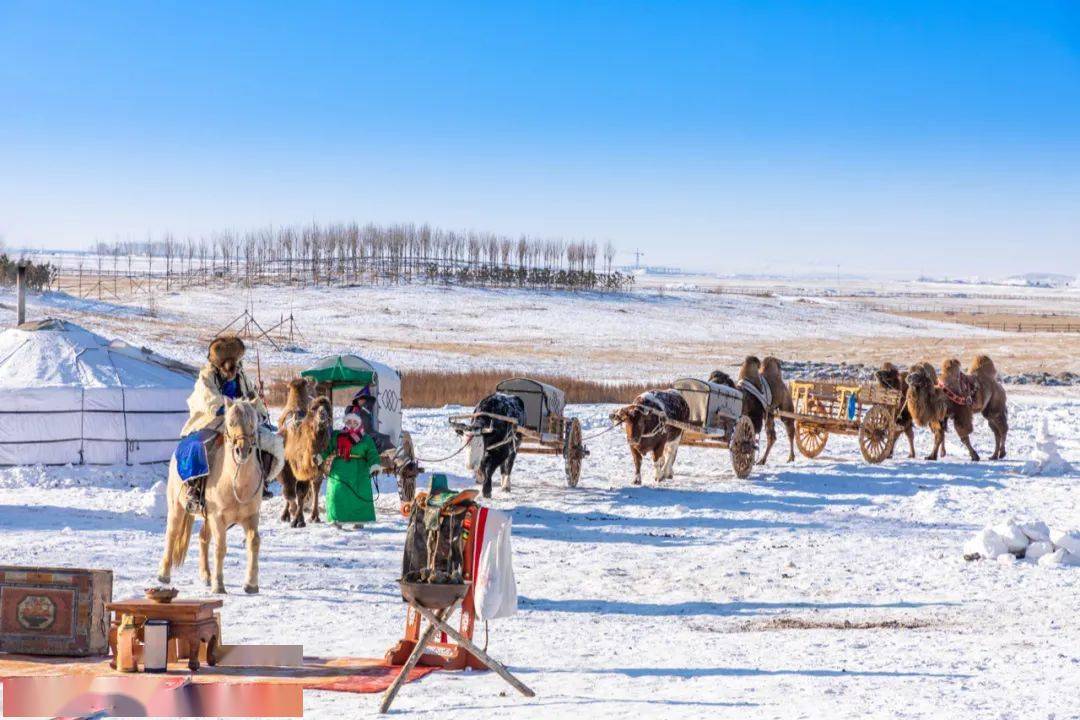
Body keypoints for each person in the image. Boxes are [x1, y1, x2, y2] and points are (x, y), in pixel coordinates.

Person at [173, 335, 285, 514]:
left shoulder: (241, 376)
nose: (231, 368)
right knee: (198, 447)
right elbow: (208, 400)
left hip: (243, 422)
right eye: (227, 362)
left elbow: (252, 397)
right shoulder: (206, 376)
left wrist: (258, 411)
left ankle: (261, 482)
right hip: (213, 420)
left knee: (271, 442)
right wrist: (230, 406)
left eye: (233, 362)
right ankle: (195, 490)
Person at [324, 404, 382, 529]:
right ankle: (336, 519)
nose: (351, 424)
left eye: (354, 421)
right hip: (340, 468)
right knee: (337, 492)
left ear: (359, 422)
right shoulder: (337, 435)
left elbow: (372, 453)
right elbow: (327, 449)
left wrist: (375, 465)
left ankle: (359, 520)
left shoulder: (366, 439)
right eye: (349, 421)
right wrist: (319, 457)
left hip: (359, 470)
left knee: (358, 494)